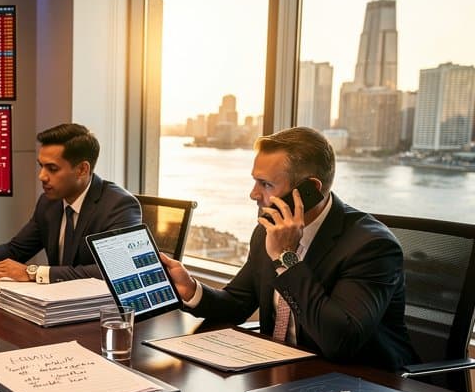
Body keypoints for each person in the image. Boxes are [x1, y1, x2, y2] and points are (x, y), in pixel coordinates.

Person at [158, 126, 416, 371]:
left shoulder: (372, 247)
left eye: (266, 184)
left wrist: (286, 259)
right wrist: (191, 289)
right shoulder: (267, 232)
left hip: (362, 386)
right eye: (255, 182)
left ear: (310, 190)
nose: (253, 194)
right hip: (281, 373)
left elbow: (340, 341)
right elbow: (237, 303)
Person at [0, 123, 140, 282]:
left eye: (52, 169)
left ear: (82, 169)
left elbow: (115, 270)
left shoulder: (119, 205)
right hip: (55, 307)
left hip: (99, 315)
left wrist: (34, 273)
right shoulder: (49, 203)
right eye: (41, 166)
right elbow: (16, 250)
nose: (42, 176)